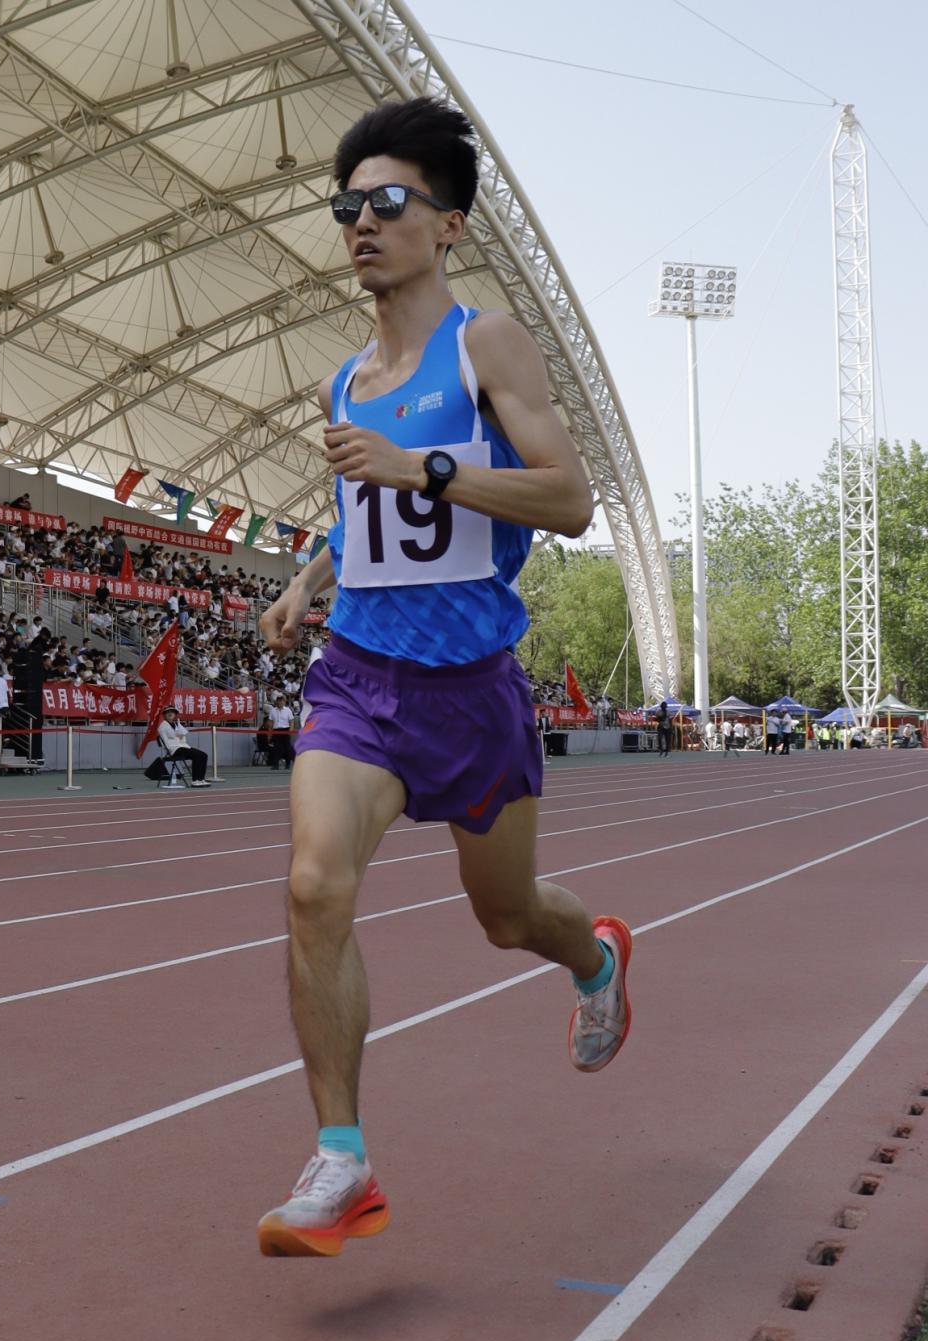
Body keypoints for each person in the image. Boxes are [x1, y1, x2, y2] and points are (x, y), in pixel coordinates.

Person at [254, 97, 631, 1259]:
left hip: (470, 690)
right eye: (346, 208)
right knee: (314, 886)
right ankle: (342, 1161)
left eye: (386, 202)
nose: (361, 224)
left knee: (507, 919)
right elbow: (362, 514)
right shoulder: (342, 382)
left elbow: (568, 500)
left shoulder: (486, 345)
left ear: (448, 224)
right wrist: (307, 582)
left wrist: (422, 467)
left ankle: (596, 957)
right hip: (358, 677)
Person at [155, 705, 210, 786]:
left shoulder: (177, 724)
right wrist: (172, 746)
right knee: (197, 755)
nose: (170, 714)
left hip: (183, 747)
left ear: (175, 714)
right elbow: (165, 742)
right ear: (164, 715)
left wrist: (180, 737)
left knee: (204, 755)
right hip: (174, 750)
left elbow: (183, 737)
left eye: (172, 712)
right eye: (168, 712)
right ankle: (195, 780)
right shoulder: (162, 727)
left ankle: (201, 779)